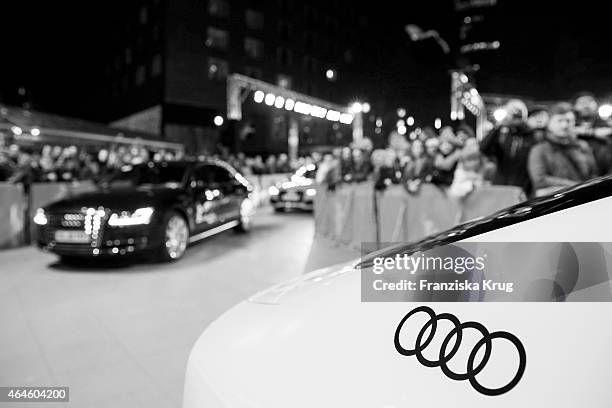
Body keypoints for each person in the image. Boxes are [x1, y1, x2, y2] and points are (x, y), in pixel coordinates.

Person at [528, 102, 597, 196]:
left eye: (568, 121)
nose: (564, 125)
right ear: (549, 123)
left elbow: (593, 174)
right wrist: (578, 186)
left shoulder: (582, 146)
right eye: (559, 121)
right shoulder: (539, 149)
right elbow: (540, 180)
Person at [480, 98, 536, 194]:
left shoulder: (532, 136)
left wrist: (523, 124)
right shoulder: (503, 135)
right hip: (501, 187)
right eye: (510, 113)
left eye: (518, 113)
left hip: (523, 189)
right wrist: (498, 126)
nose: (514, 116)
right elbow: (484, 148)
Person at [573, 92, 612, 175]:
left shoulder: (606, 124)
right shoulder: (569, 126)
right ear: (574, 106)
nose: (586, 105)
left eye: (589, 101)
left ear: (596, 105)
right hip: (580, 178)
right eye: (581, 103)